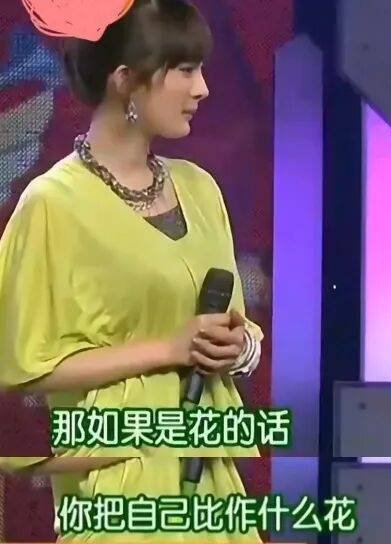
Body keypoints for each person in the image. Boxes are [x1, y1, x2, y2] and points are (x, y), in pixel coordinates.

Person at [0, 0, 263, 542]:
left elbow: (237, 327)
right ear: (125, 80)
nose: (202, 89)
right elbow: (24, 364)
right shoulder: (52, 204)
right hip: (119, 484)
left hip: (210, 483)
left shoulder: (200, 189)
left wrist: (239, 347)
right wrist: (169, 348)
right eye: (184, 70)